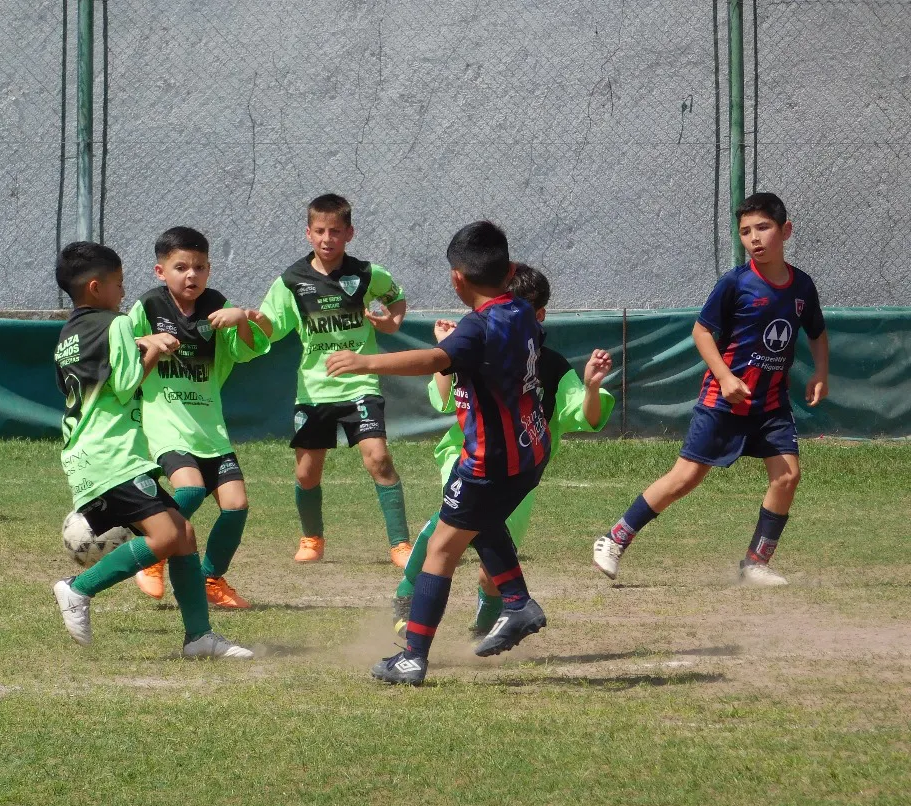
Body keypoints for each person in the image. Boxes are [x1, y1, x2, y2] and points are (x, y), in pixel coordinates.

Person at [326, 220, 549, 685]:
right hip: (530, 451)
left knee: (441, 552)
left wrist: (364, 360)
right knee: (483, 523)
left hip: (489, 461)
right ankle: (517, 602)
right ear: (509, 272)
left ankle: (412, 657)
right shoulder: (524, 312)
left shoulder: (477, 328)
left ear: (456, 278)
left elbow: (434, 360)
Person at [593, 192, 829, 586]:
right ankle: (614, 538)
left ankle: (755, 563)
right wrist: (724, 376)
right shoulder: (735, 283)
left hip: (770, 403)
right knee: (685, 478)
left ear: (785, 230)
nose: (754, 238)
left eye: (763, 228)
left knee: (787, 476)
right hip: (723, 401)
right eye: (745, 231)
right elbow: (701, 332)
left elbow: (817, 334)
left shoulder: (802, 286)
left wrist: (820, 372)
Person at [51, 240, 253, 659]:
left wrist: (142, 347)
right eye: (118, 284)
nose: (124, 293)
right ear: (95, 287)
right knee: (166, 535)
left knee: (183, 533)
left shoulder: (68, 335)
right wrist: (154, 351)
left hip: (85, 454)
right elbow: (125, 388)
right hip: (113, 455)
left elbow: (98, 385)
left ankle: (199, 637)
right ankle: (78, 589)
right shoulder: (117, 324)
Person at [392, 264, 615, 641]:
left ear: (538, 316)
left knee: (492, 557)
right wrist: (444, 354)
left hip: (518, 473)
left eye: (516, 307)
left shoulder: (553, 367)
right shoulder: (477, 346)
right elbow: (446, 402)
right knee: (446, 530)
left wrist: (592, 388)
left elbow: (587, 417)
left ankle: (486, 625)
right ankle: (406, 599)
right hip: (466, 458)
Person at [259, 193, 413, 568]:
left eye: (336, 231)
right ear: (308, 233)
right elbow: (271, 327)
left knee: (378, 458)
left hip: (361, 384)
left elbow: (396, 299)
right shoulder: (291, 281)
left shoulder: (367, 274)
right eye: (320, 231)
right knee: (307, 472)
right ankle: (312, 538)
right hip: (314, 390)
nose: (327, 238)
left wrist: (392, 321)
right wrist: (247, 318)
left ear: (349, 234)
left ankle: (401, 545)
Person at [126, 226, 272, 609]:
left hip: (210, 429)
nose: (191, 275)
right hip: (166, 425)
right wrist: (148, 342)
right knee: (189, 490)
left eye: (200, 267)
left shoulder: (217, 306)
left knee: (236, 504)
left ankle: (211, 577)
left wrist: (241, 318)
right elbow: (121, 352)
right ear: (161, 272)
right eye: (181, 267)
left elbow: (249, 350)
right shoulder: (148, 308)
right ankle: (153, 554)